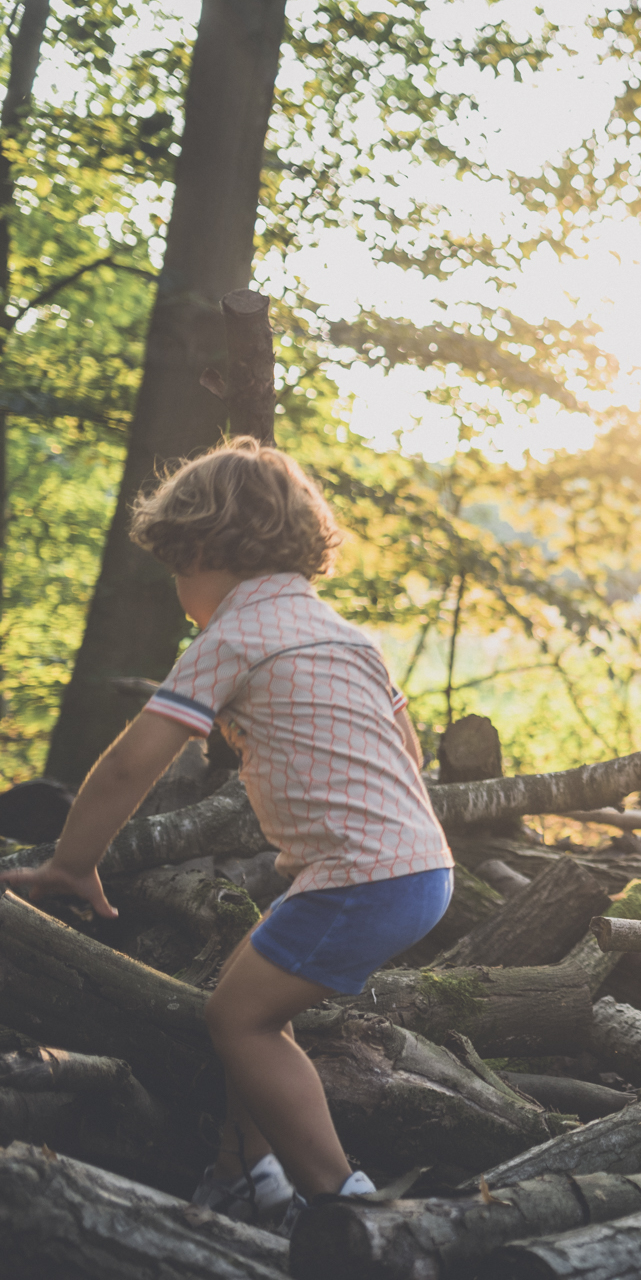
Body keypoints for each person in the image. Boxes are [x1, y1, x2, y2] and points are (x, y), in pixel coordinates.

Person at [0, 439, 453, 1229]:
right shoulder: (351, 638)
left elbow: (129, 765)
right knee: (250, 996)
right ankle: (243, 1174)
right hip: (419, 869)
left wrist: (73, 863)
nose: (181, 593)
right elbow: (408, 757)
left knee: (236, 1020)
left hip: (360, 879)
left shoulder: (231, 639)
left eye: (180, 569)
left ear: (207, 551)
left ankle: (347, 1207)